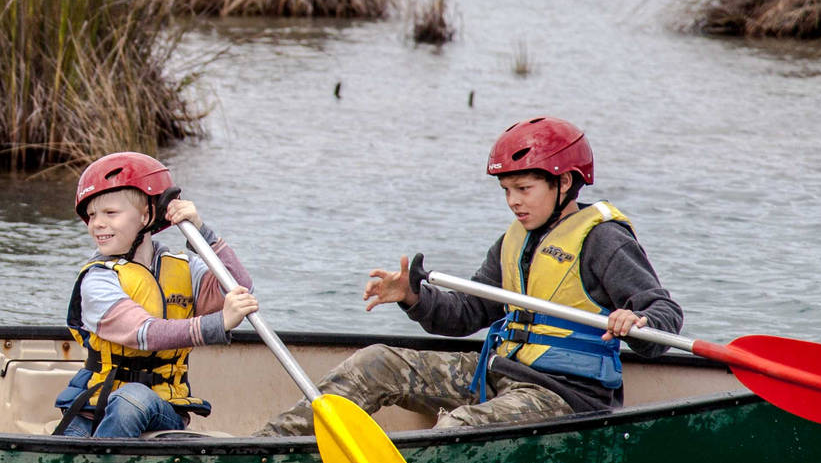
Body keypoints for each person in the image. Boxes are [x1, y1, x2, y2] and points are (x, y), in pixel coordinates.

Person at [258, 117, 681, 434]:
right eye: (506, 192)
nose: (513, 202)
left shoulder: (604, 240)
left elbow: (664, 312)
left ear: (565, 182)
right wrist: (413, 297)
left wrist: (638, 323)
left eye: (524, 189)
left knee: (456, 428)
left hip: (565, 397)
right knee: (377, 362)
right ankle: (271, 448)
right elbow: (465, 314)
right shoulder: (513, 242)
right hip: (499, 373)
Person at [54, 152, 260, 438]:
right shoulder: (98, 278)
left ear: (147, 215)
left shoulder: (184, 268)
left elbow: (239, 287)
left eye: (110, 213)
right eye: (91, 215)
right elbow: (145, 333)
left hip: (162, 409)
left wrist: (202, 232)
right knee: (70, 441)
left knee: (132, 398)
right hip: (96, 405)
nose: (97, 224)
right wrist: (217, 324)